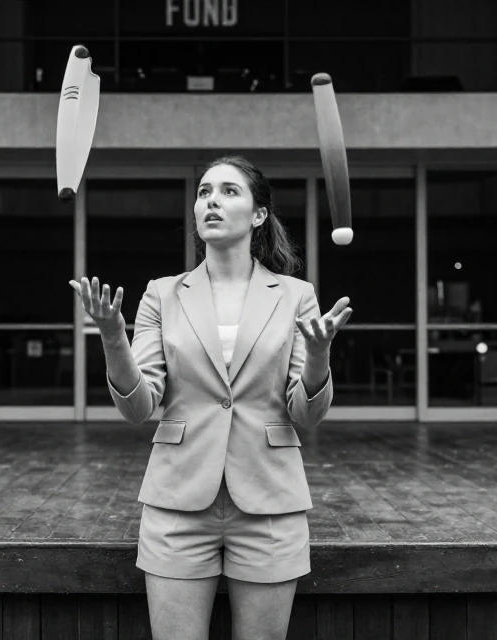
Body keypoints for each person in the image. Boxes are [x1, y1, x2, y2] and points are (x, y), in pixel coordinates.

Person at [69, 155, 352, 639]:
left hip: (269, 504)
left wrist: (320, 354)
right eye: (203, 192)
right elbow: (139, 407)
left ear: (259, 214)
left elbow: (305, 414)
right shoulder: (161, 294)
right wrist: (114, 336)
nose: (212, 201)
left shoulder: (295, 295)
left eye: (228, 191)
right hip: (178, 503)